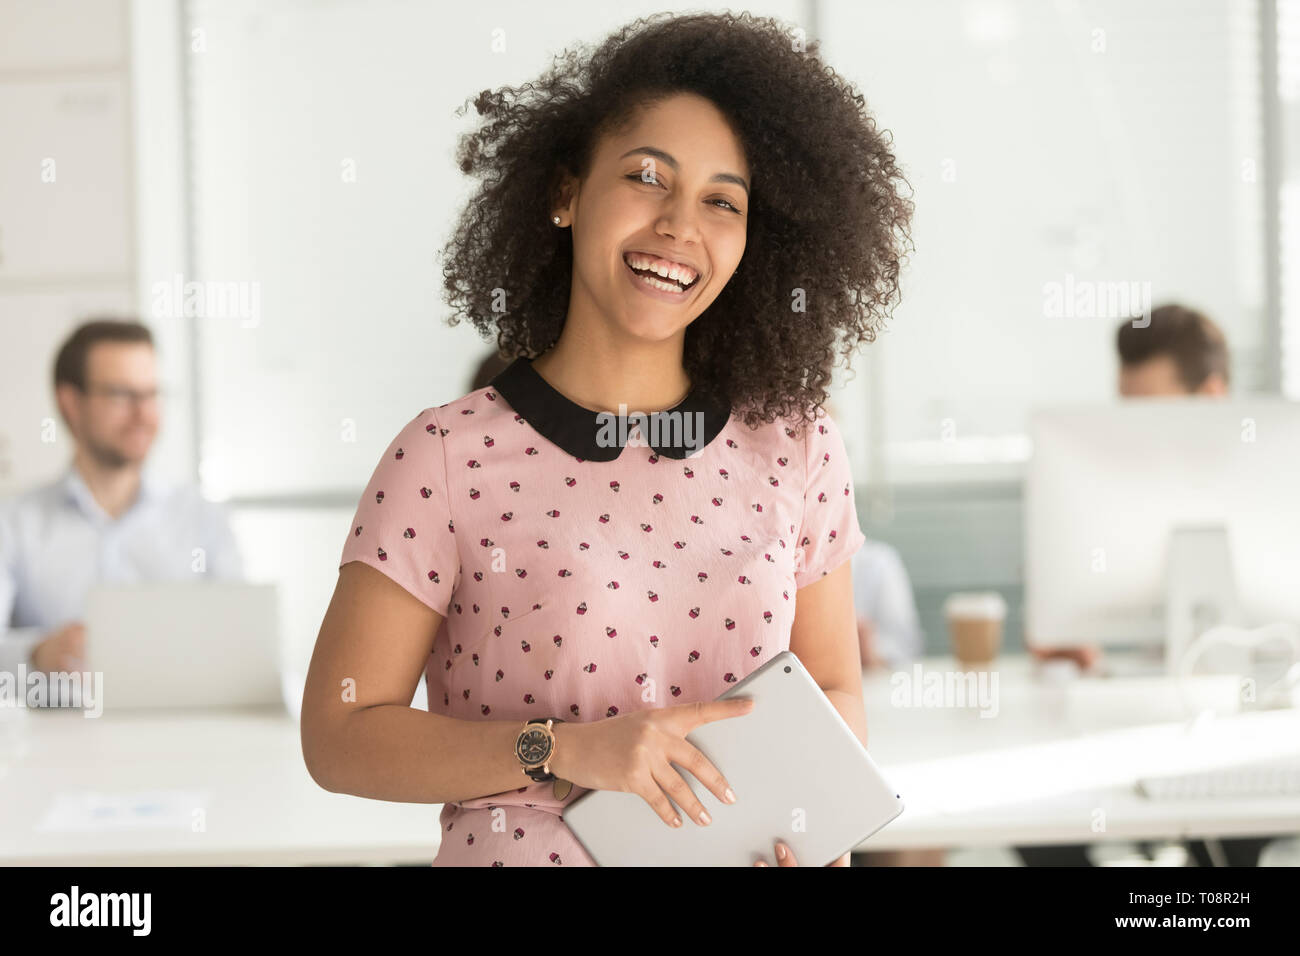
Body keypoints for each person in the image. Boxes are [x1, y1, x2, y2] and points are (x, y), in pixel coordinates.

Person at [300, 11, 914, 867]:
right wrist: (558, 750)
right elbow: (339, 735)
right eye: (646, 177)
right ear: (564, 194)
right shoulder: (444, 456)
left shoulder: (798, 447)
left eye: (721, 201)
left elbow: (836, 688)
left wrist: (810, 820)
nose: (679, 225)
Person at [1020, 303, 1271, 867]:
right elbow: (1065, 614)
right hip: (1126, 712)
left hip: (1242, 716)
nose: (1126, 434)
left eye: (1148, 414)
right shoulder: (1100, 481)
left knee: (1235, 835)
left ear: (1210, 396)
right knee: (1036, 827)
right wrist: (1069, 636)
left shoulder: (1270, 476)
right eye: (1122, 412)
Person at [0, 319, 244, 700]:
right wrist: (34, 654)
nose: (144, 414)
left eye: (152, 394)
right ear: (70, 404)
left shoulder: (204, 519)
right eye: (121, 395)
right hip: (55, 746)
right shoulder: (14, 523)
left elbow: (243, 645)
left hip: (182, 739)